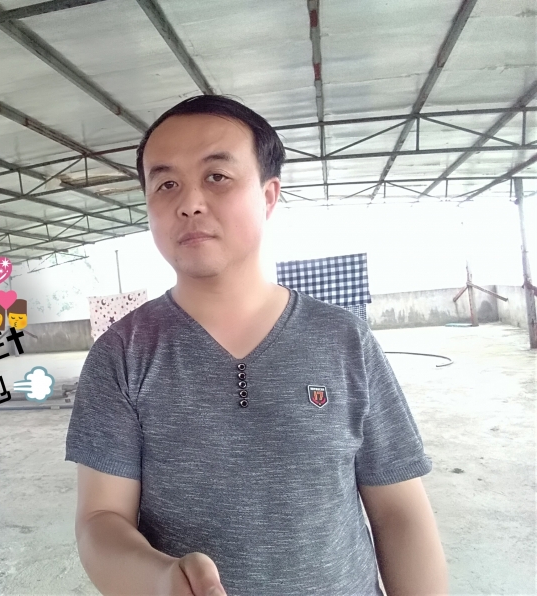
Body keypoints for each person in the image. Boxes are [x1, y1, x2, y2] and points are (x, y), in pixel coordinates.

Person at [65, 95, 448, 596]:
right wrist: (160, 580)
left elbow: (399, 511)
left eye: (217, 176)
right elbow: (100, 519)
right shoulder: (121, 354)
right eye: (166, 184)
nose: (189, 202)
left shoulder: (343, 340)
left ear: (268, 196)